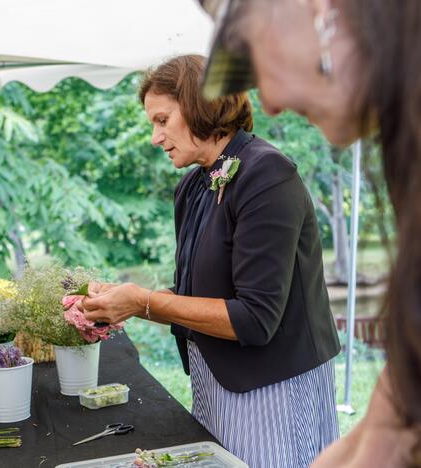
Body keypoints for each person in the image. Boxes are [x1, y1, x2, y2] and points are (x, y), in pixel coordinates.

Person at [81, 54, 340, 467]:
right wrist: (122, 300)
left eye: (163, 120)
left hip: (270, 385)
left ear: (201, 104)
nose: (155, 137)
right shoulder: (192, 186)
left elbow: (255, 319)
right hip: (215, 381)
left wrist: (141, 300)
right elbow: (194, 297)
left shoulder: (267, 175)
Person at [195, 0, 421, 465]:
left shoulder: (266, 171)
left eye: (255, 52)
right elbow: (400, 406)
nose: (271, 102)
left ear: (319, 8)